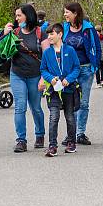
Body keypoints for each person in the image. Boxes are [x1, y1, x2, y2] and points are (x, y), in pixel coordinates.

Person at [4, 4, 49, 153]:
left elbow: (47, 56)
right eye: (16, 16)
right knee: (20, 106)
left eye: (19, 16)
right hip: (17, 74)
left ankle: (40, 134)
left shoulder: (40, 33)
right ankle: (21, 140)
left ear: (28, 16)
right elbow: (3, 52)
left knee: (35, 107)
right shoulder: (15, 32)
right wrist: (5, 35)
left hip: (35, 75)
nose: (16, 19)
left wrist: (44, 77)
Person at [62, 2, 101, 146]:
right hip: (69, 71)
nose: (65, 15)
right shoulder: (65, 28)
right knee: (70, 103)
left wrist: (95, 65)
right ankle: (70, 134)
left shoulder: (88, 28)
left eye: (67, 12)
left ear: (75, 13)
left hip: (85, 69)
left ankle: (80, 133)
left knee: (83, 103)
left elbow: (97, 47)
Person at [40, 23, 81, 157]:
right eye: (48, 34)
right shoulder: (47, 53)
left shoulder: (70, 50)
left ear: (60, 34)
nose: (49, 37)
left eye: (52, 34)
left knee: (69, 116)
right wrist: (50, 78)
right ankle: (52, 145)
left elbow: (76, 68)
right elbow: (43, 69)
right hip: (53, 90)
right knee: (54, 117)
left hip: (68, 89)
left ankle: (71, 142)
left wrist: (68, 79)